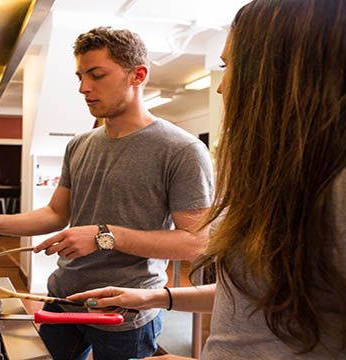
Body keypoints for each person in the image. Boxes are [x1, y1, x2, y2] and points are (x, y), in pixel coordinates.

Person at [68, 1, 346, 359]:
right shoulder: (281, 183)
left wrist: (107, 237)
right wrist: (156, 297)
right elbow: (252, 298)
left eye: (228, 65)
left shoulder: (337, 193)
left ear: (279, 73)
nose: (220, 86)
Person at [0, 27, 214, 359]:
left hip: (123, 312)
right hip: (62, 300)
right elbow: (56, 213)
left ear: (138, 75)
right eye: (81, 76)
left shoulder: (181, 149)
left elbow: (196, 242)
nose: (84, 88)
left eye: (97, 75)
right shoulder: (80, 144)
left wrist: (106, 235)